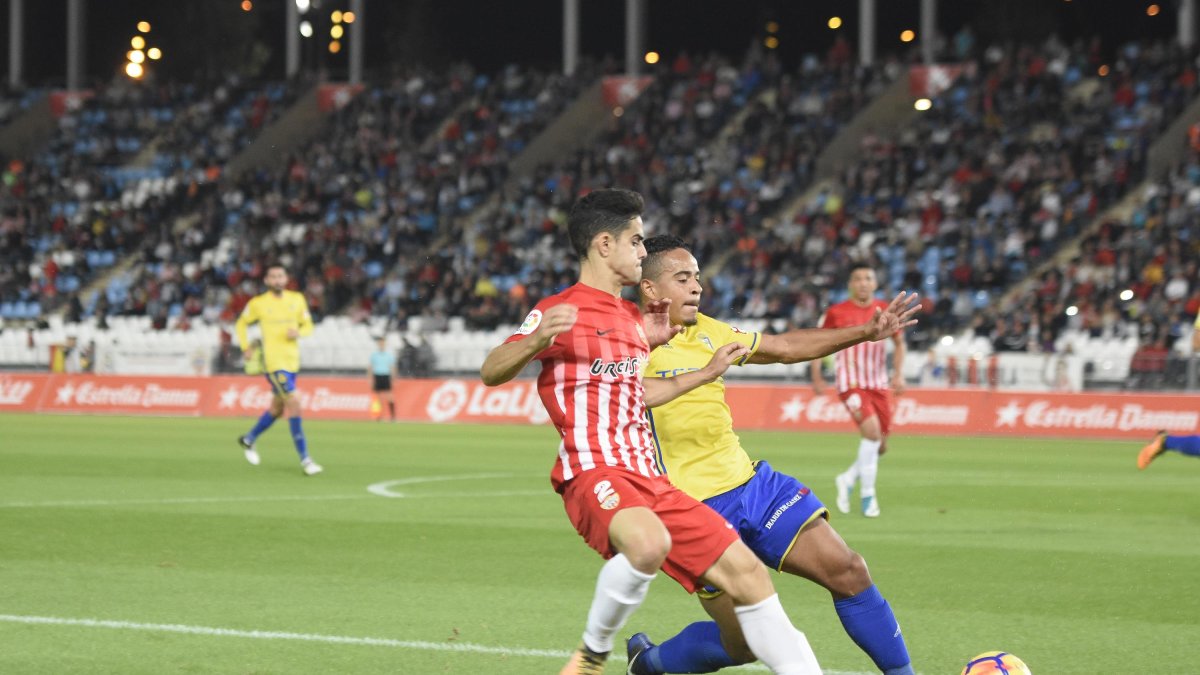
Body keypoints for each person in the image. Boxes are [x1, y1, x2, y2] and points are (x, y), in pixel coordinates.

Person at [480, 189, 823, 675]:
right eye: (637, 241)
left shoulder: (630, 319)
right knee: (648, 544)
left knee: (747, 576)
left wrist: (699, 370)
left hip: (654, 482)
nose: (644, 253)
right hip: (596, 469)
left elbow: (637, 391)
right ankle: (593, 652)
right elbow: (492, 369)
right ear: (604, 244)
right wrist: (534, 340)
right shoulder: (563, 308)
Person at [627, 235, 917, 675]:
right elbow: (632, 397)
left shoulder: (711, 330)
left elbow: (783, 348)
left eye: (698, 279)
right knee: (744, 645)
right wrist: (704, 373)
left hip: (751, 486)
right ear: (650, 288)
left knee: (849, 570)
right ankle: (650, 664)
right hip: (689, 510)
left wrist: (866, 332)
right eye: (682, 278)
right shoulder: (625, 341)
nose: (696, 288)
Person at [811, 263, 907, 518]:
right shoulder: (836, 312)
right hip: (850, 383)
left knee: (881, 445)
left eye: (868, 278)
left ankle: (847, 478)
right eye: (858, 278)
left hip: (878, 383)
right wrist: (817, 374)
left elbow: (899, 343)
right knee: (872, 433)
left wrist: (898, 373)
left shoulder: (885, 309)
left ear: (875, 283)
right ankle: (868, 496)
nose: (863, 282)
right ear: (850, 284)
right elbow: (817, 343)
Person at [235, 263, 322, 476]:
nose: (277, 280)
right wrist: (246, 347)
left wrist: (299, 332)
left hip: (292, 362)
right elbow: (241, 324)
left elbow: (309, 326)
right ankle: (306, 460)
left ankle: (249, 439)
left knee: (277, 408)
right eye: (273, 276)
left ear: (286, 279)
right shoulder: (258, 303)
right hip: (273, 364)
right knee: (294, 403)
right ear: (266, 280)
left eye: (280, 276)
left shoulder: (297, 299)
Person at [368, 336, 398, 422]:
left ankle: (393, 416)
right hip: (377, 376)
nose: (381, 345)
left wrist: (393, 378)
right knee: (378, 398)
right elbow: (371, 367)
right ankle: (378, 416)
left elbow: (392, 367)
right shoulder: (374, 355)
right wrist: (370, 379)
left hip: (386, 376)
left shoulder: (389, 355)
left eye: (383, 343)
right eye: (380, 343)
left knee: (390, 397)